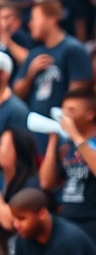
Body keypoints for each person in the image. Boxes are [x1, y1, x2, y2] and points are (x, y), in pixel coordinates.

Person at [13, 0, 93, 115]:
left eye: (34, 19)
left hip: (60, 122)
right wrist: (30, 74)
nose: (30, 24)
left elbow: (79, 94)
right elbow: (17, 93)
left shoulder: (73, 49)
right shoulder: (34, 53)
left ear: (52, 19)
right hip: (33, 121)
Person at [41, 88, 96, 242]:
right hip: (67, 220)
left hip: (91, 221)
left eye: (71, 110)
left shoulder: (80, 140)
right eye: (63, 110)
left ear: (90, 114)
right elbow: (46, 183)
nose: (64, 116)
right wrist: (53, 141)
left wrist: (76, 135)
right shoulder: (67, 145)